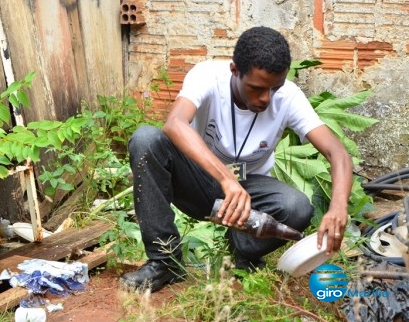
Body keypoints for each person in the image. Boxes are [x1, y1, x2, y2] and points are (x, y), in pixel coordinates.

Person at [120, 26, 352, 293]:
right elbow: (174, 124)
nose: (266, 98)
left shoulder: (289, 97)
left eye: (274, 88)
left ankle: (242, 253)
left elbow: (338, 153)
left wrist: (338, 207)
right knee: (146, 139)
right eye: (256, 88)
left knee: (297, 206)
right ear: (234, 70)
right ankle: (164, 262)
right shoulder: (207, 76)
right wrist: (225, 178)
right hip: (196, 181)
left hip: (249, 190)